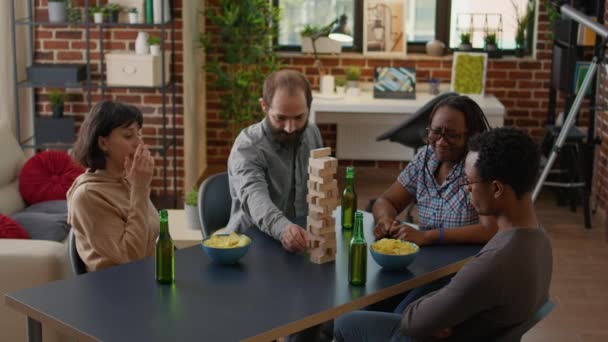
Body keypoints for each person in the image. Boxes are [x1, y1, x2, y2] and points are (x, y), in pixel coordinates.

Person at [334, 127, 553, 341]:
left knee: (345, 322)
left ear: (496, 189)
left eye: (468, 182)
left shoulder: (496, 263)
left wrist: (440, 313)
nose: (466, 190)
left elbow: (413, 322)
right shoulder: (540, 239)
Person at [226, 69, 323, 253]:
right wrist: (285, 229)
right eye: (280, 118)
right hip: (250, 247)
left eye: (299, 117)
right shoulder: (248, 147)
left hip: (301, 243)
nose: (290, 128)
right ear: (264, 105)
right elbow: (256, 199)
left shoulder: (312, 133)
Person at [67, 101, 159, 272]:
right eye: (128, 136)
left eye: (138, 134)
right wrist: (139, 188)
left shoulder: (127, 180)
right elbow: (131, 257)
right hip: (116, 290)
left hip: (147, 276)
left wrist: (139, 186)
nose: (138, 143)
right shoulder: (88, 196)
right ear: (103, 143)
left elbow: (152, 233)